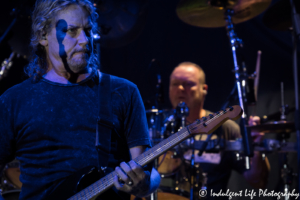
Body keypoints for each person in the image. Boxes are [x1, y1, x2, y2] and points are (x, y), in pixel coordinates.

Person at [0, 0, 160, 199]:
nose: (85, 40)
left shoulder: (123, 92)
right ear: (43, 36)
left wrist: (143, 185)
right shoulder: (15, 100)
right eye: (72, 31)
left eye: (87, 30)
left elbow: (149, 173)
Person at [166, 61, 270, 199]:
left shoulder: (224, 127)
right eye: (175, 84)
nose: (180, 88)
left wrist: (256, 149)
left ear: (204, 89)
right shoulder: (159, 127)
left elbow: (258, 181)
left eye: (188, 83)